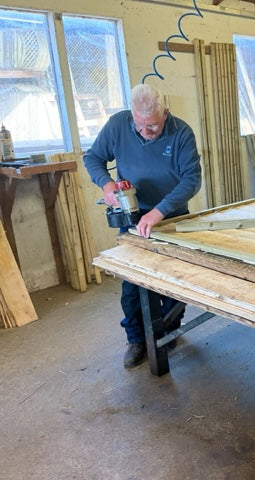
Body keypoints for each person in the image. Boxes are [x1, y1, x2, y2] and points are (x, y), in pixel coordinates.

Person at [84, 83, 202, 369]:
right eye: (140, 125)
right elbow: (92, 158)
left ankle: (168, 330)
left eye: (153, 126)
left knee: (172, 282)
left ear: (165, 113)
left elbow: (192, 180)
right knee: (133, 284)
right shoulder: (117, 125)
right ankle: (137, 339)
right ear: (132, 116)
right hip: (133, 217)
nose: (146, 132)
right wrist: (107, 184)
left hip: (171, 216)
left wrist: (159, 212)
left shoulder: (182, 132)